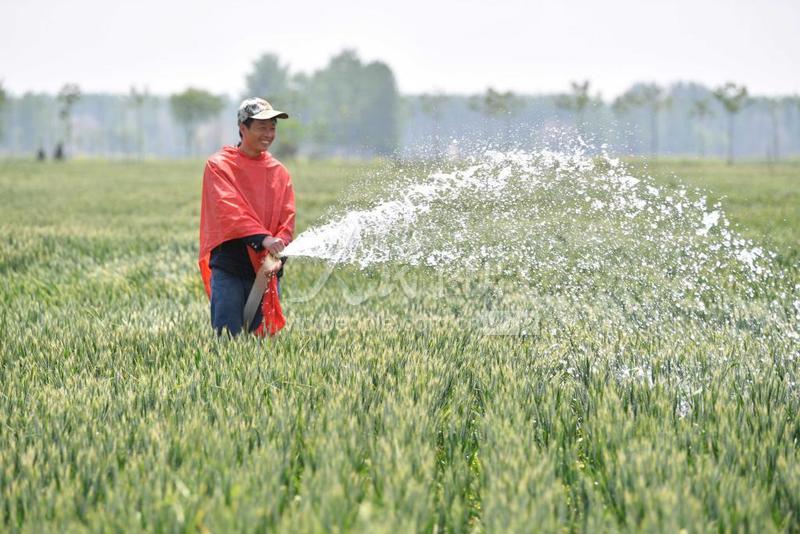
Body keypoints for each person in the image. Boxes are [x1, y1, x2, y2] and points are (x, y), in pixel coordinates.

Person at [198, 98, 296, 337]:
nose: (269, 133)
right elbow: (229, 209)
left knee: (264, 349)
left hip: (266, 269)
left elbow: (287, 217)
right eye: (262, 127)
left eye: (272, 127)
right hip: (231, 266)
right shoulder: (219, 166)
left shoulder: (279, 172)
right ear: (243, 128)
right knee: (227, 342)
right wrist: (263, 239)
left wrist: (279, 247)